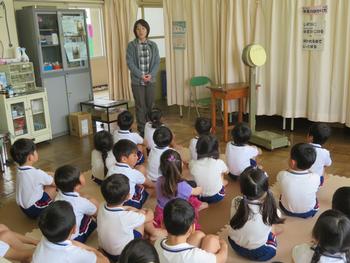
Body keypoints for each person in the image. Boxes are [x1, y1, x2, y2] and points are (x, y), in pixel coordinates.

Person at [97, 174, 166, 262]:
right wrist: (147, 210)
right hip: (124, 253)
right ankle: (153, 233)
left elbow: (123, 209)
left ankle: (150, 230)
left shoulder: (102, 205)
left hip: (105, 250)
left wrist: (135, 210)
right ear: (128, 196)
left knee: (137, 214)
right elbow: (150, 216)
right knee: (141, 219)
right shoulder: (127, 217)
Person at [228, 166, 285, 261]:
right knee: (272, 248)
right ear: (266, 187)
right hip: (258, 252)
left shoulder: (235, 201)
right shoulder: (272, 211)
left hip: (234, 245)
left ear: (241, 188)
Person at [154, 198, 228, 263]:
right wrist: (224, 245)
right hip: (192, 258)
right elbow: (221, 259)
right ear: (192, 228)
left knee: (198, 235)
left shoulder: (157, 243)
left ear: (162, 224)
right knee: (212, 239)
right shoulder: (195, 256)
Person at [32, 201, 108, 263]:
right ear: (74, 229)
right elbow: (105, 261)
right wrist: (94, 251)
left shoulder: (45, 237)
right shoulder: (73, 253)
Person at [154, 149, 207, 230]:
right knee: (192, 196)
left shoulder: (158, 180)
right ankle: (198, 206)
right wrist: (201, 187)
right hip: (179, 213)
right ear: (180, 166)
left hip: (162, 211)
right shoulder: (183, 186)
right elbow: (197, 192)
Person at [126, 19, 160, 136]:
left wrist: (151, 75)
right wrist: (141, 75)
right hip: (137, 80)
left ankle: (150, 126)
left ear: (147, 30)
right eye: (138, 29)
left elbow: (156, 62)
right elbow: (130, 63)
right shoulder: (131, 46)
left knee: (150, 104)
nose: (140, 31)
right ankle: (142, 129)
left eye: (143, 28)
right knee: (140, 106)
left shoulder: (153, 45)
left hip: (151, 79)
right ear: (135, 31)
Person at [10, 138, 56, 219]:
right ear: (31, 157)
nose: (37, 153)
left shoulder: (19, 170)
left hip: (24, 209)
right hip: (35, 209)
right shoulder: (37, 173)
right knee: (53, 187)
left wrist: (48, 174)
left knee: (46, 178)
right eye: (36, 151)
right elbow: (54, 183)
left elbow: (40, 175)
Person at [54, 165, 98, 243]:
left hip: (59, 234)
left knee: (86, 198)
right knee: (93, 202)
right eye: (80, 174)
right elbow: (94, 210)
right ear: (77, 186)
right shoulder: (80, 202)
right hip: (74, 239)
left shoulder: (59, 193)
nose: (82, 174)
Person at [277, 143, 320, 218]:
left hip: (286, 210)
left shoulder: (282, 175)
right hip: (309, 212)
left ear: (293, 162)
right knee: (315, 196)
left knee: (283, 193)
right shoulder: (316, 177)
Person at [107, 140, 152, 209]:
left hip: (114, 199)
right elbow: (149, 184)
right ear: (124, 159)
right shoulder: (133, 173)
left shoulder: (111, 168)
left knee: (139, 170)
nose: (137, 157)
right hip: (130, 202)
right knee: (148, 188)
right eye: (134, 155)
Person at [189, 135, 228, 203]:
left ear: (198, 148)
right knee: (221, 173)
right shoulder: (219, 162)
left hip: (199, 196)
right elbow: (227, 171)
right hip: (217, 196)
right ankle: (221, 183)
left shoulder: (192, 163)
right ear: (216, 149)